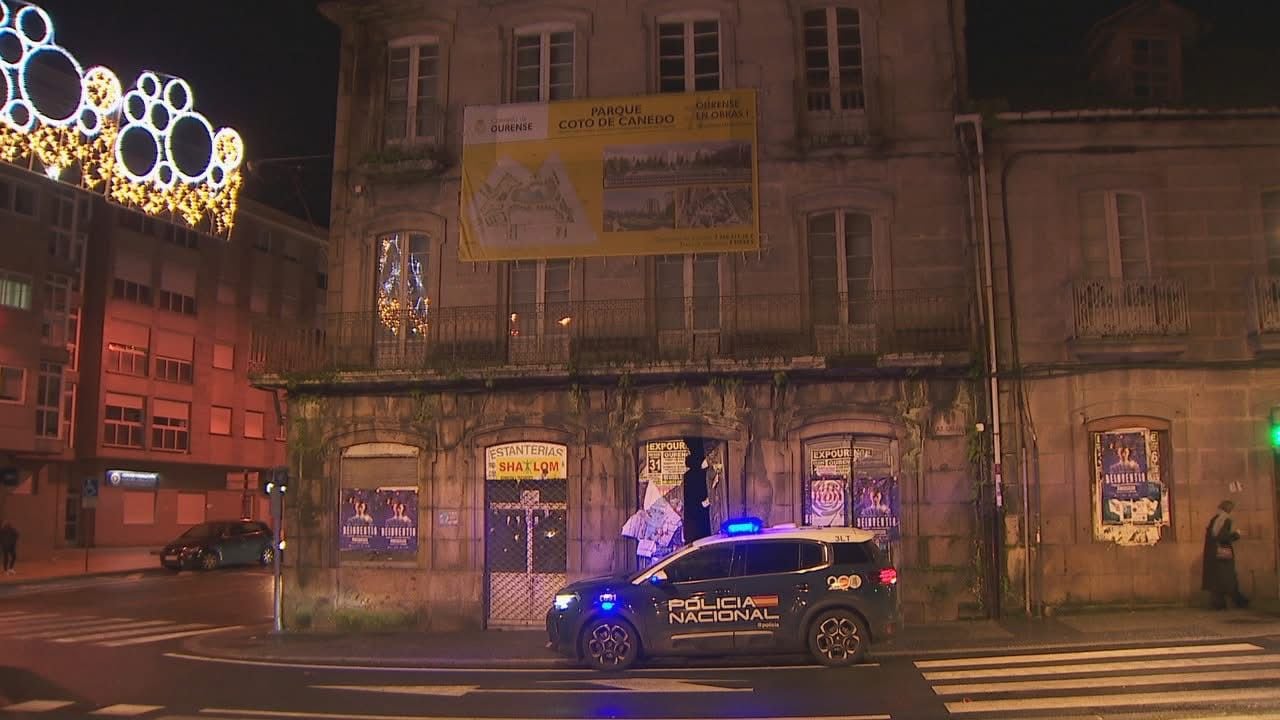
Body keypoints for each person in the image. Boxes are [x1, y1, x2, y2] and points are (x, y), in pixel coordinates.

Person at [1202, 500, 1248, 610]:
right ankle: (1239, 601)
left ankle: (1220, 604)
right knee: (1229, 579)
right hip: (1222, 554)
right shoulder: (1226, 520)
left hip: (1213, 554)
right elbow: (1223, 537)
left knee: (1219, 580)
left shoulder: (1215, 519)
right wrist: (1236, 535)